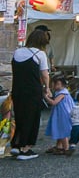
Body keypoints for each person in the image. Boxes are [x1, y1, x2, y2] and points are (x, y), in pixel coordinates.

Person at [9, 29, 51, 160]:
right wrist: (47, 88)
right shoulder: (40, 54)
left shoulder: (17, 52)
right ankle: (25, 148)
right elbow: (45, 75)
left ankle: (15, 144)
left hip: (17, 90)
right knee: (31, 118)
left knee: (19, 117)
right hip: (32, 91)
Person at [44, 73, 74, 154]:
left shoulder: (62, 93)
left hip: (63, 114)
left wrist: (45, 97)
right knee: (60, 130)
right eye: (53, 84)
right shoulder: (62, 91)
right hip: (61, 113)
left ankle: (66, 148)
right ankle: (59, 146)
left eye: (57, 84)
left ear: (63, 84)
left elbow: (54, 102)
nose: (54, 86)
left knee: (63, 131)